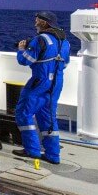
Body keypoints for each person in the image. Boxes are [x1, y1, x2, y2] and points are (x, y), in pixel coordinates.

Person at [13, 11, 71, 164]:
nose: (35, 22)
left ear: (45, 23)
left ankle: (32, 150)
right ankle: (53, 155)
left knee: (24, 113)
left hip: (40, 82)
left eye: (38, 20)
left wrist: (21, 49)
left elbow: (26, 61)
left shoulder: (40, 40)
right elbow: (65, 63)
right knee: (48, 118)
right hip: (56, 83)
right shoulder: (64, 41)